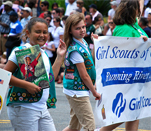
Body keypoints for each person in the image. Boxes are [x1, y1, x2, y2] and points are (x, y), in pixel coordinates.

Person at [3, 17, 66, 131]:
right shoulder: (21, 51)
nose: (42, 35)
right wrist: (26, 85)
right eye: (38, 32)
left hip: (42, 108)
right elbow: (4, 76)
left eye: (45, 32)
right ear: (28, 33)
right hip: (24, 108)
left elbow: (50, 78)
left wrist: (60, 56)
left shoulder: (43, 53)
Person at [98, 0, 148, 131]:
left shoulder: (134, 25)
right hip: (127, 78)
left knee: (135, 113)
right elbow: (121, 55)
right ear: (133, 10)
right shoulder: (124, 29)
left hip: (137, 77)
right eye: (138, 9)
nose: (140, 12)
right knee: (124, 112)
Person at [62, 12, 101, 131]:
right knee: (90, 126)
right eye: (77, 28)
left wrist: (96, 43)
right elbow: (84, 76)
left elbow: (91, 61)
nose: (82, 30)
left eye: (83, 27)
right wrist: (94, 92)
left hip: (78, 90)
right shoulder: (75, 49)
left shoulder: (83, 42)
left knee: (74, 127)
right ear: (70, 30)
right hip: (77, 91)